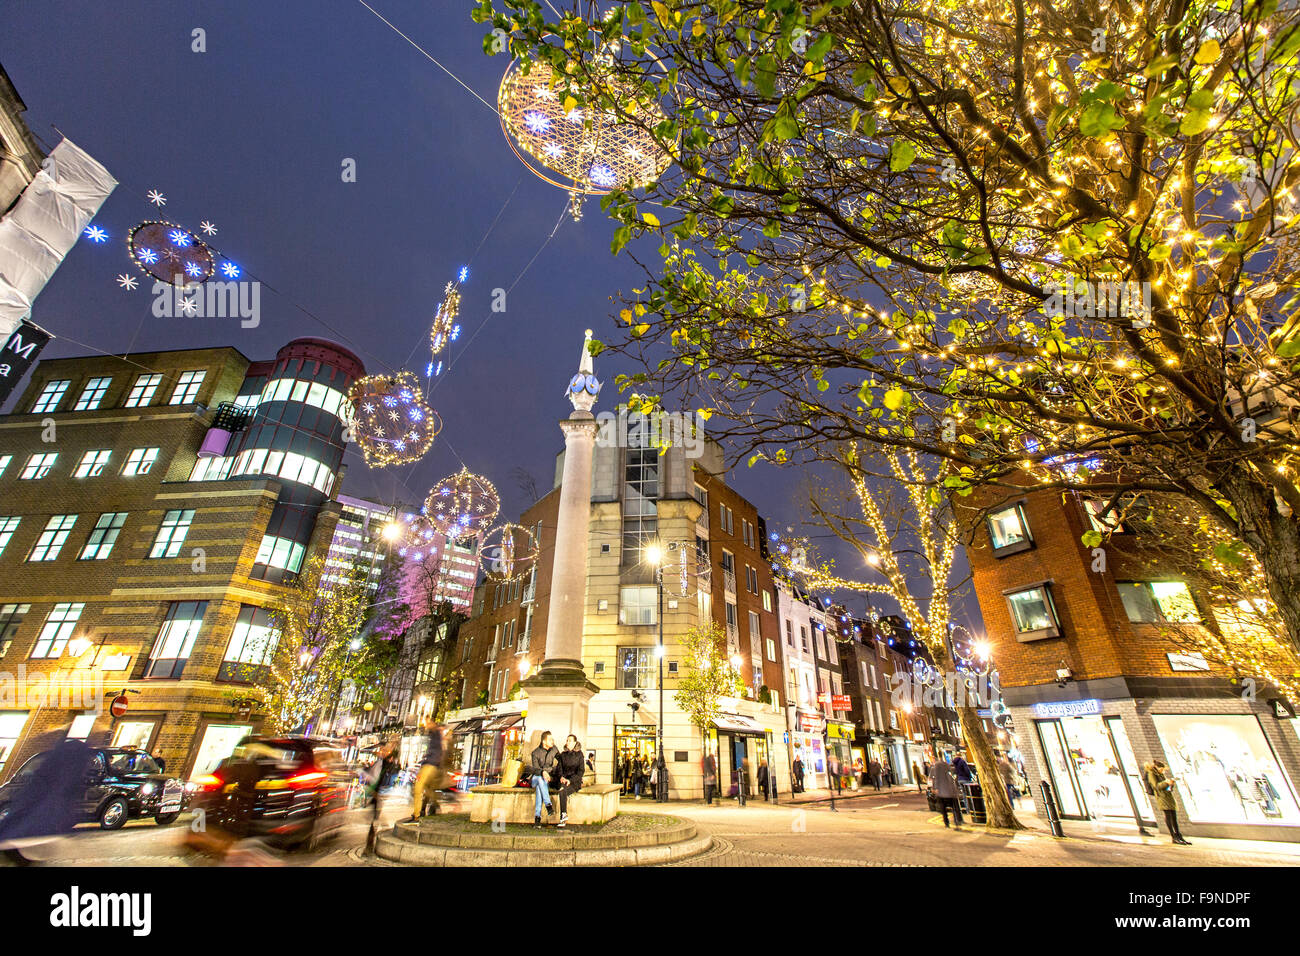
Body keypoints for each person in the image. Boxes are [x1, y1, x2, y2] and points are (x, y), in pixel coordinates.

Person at [408, 718, 445, 822]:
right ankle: (433, 804)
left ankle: (416, 815)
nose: (426, 725)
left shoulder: (436, 733)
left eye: (428, 723)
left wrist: (428, 760)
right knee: (428, 789)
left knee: (418, 787)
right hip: (432, 765)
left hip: (429, 765)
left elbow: (437, 751)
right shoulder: (434, 735)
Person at [1145, 759, 1190, 845]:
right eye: (1161, 769)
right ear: (1157, 767)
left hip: (1168, 796)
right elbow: (1156, 786)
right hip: (1162, 797)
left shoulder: (1160, 774)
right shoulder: (1152, 774)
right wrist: (1166, 782)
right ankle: (1174, 837)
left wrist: (1170, 784)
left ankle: (1178, 835)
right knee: (1168, 816)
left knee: (1173, 816)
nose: (1163, 771)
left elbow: (1165, 787)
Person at [554, 735, 585, 828]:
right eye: (567, 740)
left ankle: (563, 815)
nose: (567, 742)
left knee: (563, 790)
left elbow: (581, 771)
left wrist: (570, 780)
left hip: (574, 781)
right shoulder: (563, 755)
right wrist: (561, 777)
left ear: (575, 743)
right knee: (562, 788)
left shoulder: (579, 755)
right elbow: (559, 769)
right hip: (563, 780)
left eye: (570, 741)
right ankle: (563, 815)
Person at [530, 732, 559, 826]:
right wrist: (543, 772)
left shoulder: (554, 749)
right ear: (544, 741)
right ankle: (548, 804)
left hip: (545, 779)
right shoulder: (535, 753)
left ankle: (537, 817)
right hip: (535, 778)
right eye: (550, 739)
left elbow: (561, 762)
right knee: (539, 778)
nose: (552, 741)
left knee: (540, 786)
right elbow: (535, 769)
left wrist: (549, 771)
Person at [929, 757, 963, 828]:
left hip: (941, 791)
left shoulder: (934, 769)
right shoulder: (947, 767)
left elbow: (932, 779)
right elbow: (953, 776)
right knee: (954, 806)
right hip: (950, 791)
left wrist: (934, 788)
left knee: (943, 808)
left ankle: (946, 822)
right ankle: (957, 821)